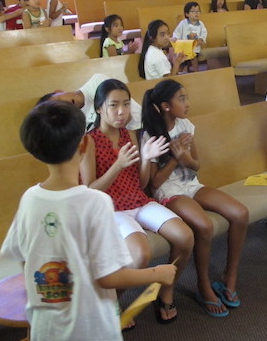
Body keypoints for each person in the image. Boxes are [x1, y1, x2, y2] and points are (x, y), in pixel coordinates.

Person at [0, 101, 177, 341]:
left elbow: (22, 256)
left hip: (45, 326)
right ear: (84, 145)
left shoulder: (29, 198)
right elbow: (108, 277)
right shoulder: (95, 202)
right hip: (89, 329)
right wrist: (158, 274)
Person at [79, 80, 193, 324]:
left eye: (126, 104)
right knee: (141, 254)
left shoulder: (130, 135)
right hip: (109, 208)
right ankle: (111, 302)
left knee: (185, 237)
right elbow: (89, 191)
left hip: (138, 200)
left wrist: (146, 159)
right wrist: (117, 165)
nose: (121, 112)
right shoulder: (89, 141)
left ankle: (166, 291)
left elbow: (140, 184)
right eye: (113, 105)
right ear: (99, 108)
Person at [142, 79, 249, 317]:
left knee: (240, 214)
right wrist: (175, 158)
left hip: (191, 184)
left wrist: (185, 158)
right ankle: (203, 285)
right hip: (168, 192)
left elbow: (196, 165)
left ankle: (229, 277)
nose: (187, 103)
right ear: (165, 105)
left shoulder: (186, 125)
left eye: (186, 97)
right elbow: (154, 183)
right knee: (205, 226)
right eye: (181, 99)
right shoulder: (152, 134)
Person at [37, 73, 142, 131]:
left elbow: (132, 115)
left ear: (58, 91)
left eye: (59, 100)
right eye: (61, 109)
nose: (66, 104)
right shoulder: (78, 123)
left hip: (141, 128)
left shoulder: (97, 82)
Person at [171, 2, 206, 73]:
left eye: (198, 11)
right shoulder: (183, 23)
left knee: (194, 57)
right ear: (187, 14)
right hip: (184, 49)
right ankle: (179, 72)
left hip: (195, 48)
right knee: (181, 60)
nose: (196, 13)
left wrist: (200, 39)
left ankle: (196, 72)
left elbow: (203, 34)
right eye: (193, 11)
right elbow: (177, 33)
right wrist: (175, 38)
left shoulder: (201, 24)